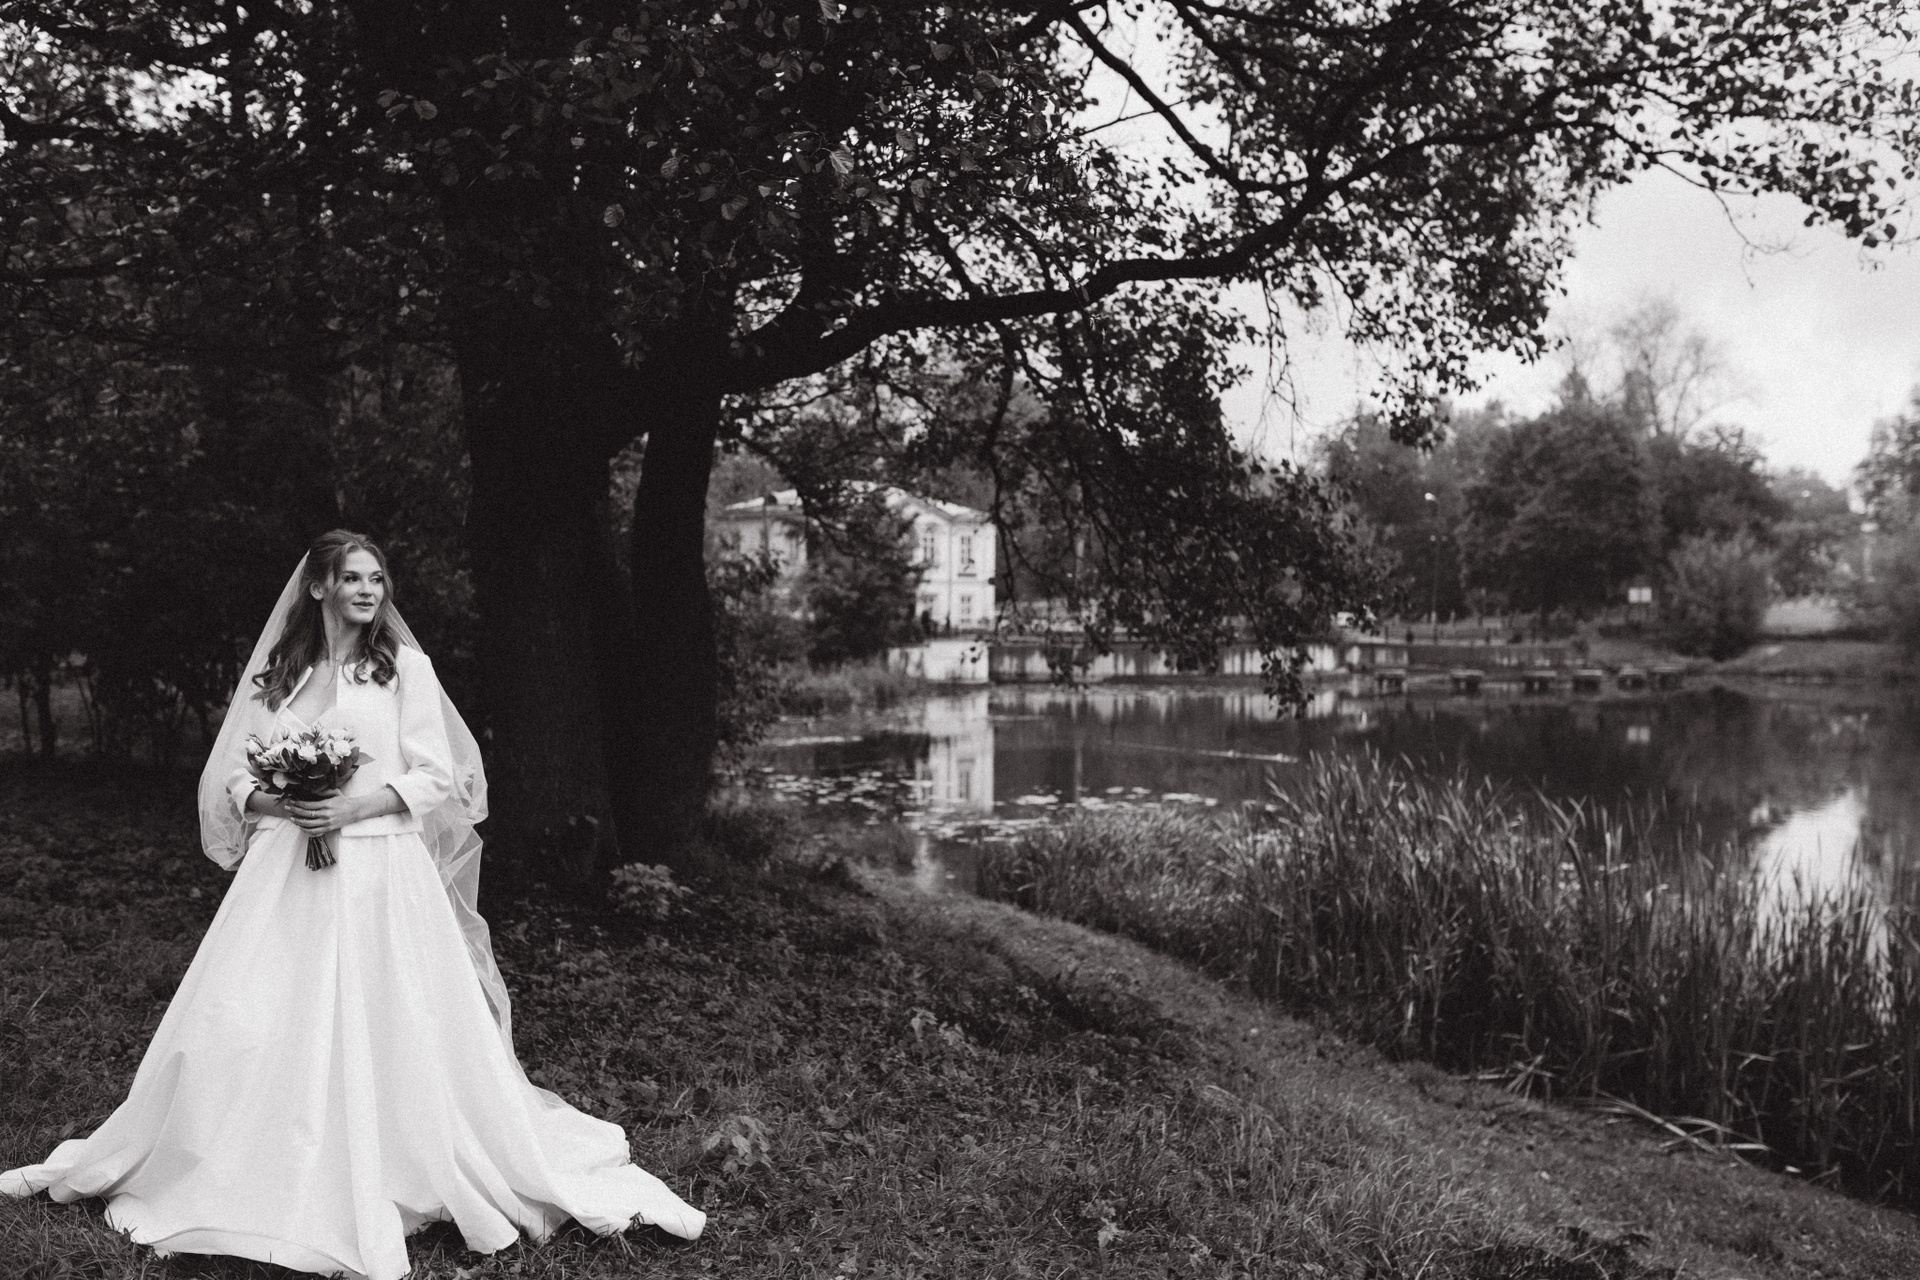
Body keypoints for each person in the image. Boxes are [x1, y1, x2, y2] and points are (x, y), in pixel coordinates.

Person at [0, 530, 704, 1278]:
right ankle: (239, 1150)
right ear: (319, 588)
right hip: (285, 869)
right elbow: (235, 774)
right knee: (246, 1012)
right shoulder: (279, 674)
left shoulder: (404, 670)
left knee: (390, 1013)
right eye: (353, 578)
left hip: (380, 868)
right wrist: (283, 802)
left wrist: (350, 808)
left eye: (376, 579)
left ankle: (396, 1156)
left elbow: (438, 777)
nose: (369, 591)